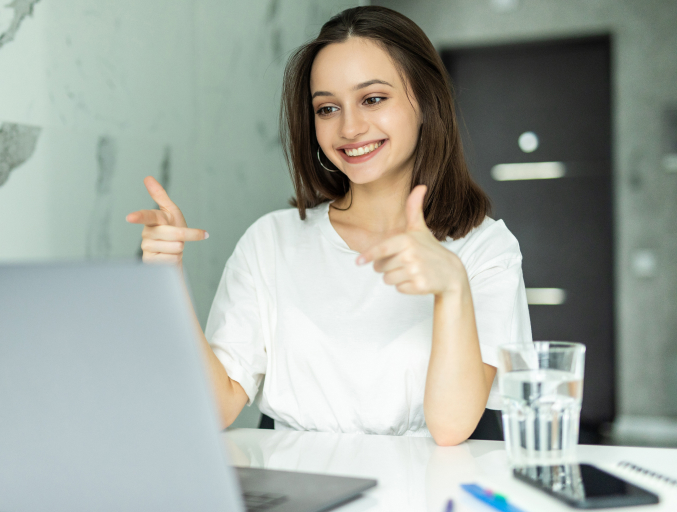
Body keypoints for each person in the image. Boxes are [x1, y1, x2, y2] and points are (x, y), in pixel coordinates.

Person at [126, 6, 531, 446]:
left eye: (373, 99)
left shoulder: (485, 249)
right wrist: (167, 277)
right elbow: (213, 408)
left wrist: (452, 287)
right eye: (327, 108)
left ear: (426, 102)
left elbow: (452, 428)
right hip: (296, 493)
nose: (350, 127)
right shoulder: (270, 241)